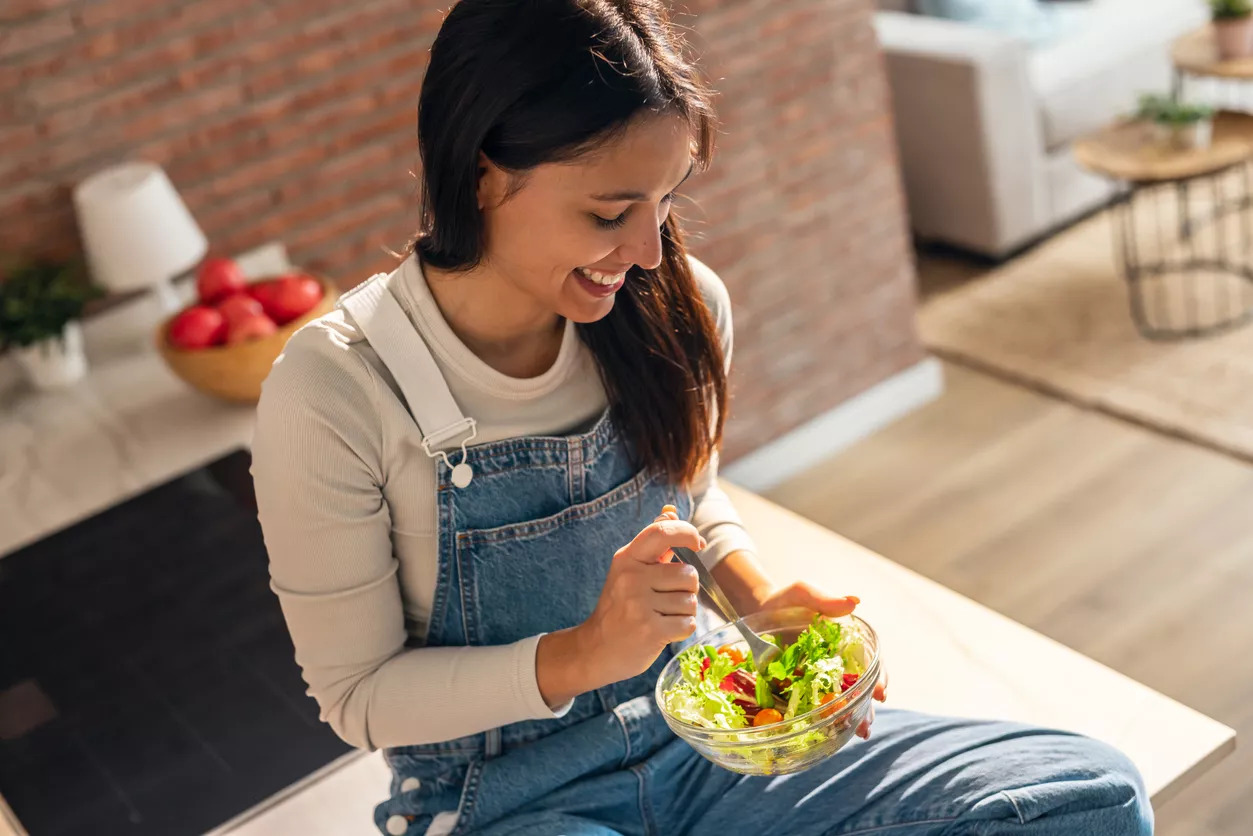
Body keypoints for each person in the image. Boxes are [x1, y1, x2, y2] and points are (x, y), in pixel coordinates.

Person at [250, 1, 1153, 834]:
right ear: (486, 176)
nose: (646, 252)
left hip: (716, 742)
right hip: (508, 799)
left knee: (1092, 800)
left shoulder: (677, 307)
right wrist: (580, 655)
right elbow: (358, 697)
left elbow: (686, 502)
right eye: (609, 211)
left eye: (666, 201)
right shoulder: (337, 391)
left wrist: (759, 602)